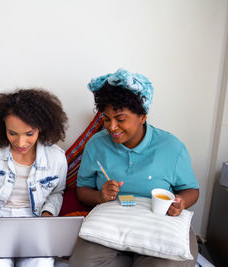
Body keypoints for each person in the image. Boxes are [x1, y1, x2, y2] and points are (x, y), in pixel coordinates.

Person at [69, 69, 200, 267]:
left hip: (159, 222)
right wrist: (99, 196)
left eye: (120, 119)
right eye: (106, 118)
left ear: (142, 116)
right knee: (82, 262)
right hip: (110, 223)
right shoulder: (96, 145)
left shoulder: (171, 147)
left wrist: (180, 202)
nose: (111, 127)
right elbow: (82, 191)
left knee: (172, 263)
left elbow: (191, 190)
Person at [0, 88, 68, 267]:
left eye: (29, 134)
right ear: (2, 127)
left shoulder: (57, 157)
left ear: (42, 128)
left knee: (41, 263)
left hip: (34, 224)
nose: (21, 143)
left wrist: (47, 216)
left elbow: (57, 192)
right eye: (12, 133)